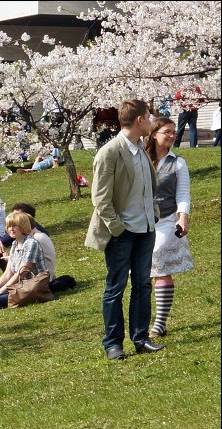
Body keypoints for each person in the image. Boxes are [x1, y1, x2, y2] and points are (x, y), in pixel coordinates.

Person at [85, 99, 163, 360]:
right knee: (115, 287)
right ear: (139, 120)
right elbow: (100, 198)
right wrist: (117, 228)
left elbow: (147, 188)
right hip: (121, 233)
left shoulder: (141, 149)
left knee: (142, 285)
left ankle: (141, 338)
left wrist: (153, 214)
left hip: (145, 229)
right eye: (149, 116)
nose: (152, 120)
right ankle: (113, 344)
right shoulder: (110, 152)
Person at [144, 117, 194, 338]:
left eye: (174, 132)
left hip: (167, 219)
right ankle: (149, 320)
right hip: (142, 221)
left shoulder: (178, 163)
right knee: (144, 271)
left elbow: (183, 194)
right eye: (167, 132)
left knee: (159, 257)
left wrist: (182, 217)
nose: (172, 136)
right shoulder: (142, 159)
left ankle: (159, 322)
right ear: (154, 134)